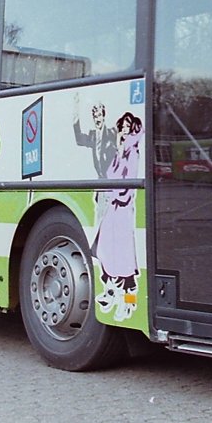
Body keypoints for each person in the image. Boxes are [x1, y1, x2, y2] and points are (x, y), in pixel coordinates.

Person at [93, 112, 143, 321]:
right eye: (121, 125)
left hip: (122, 209)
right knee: (105, 251)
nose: (123, 129)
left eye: (127, 126)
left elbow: (128, 183)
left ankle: (129, 303)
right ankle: (112, 292)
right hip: (113, 209)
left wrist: (115, 195)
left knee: (124, 260)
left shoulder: (132, 152)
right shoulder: (120, 151)